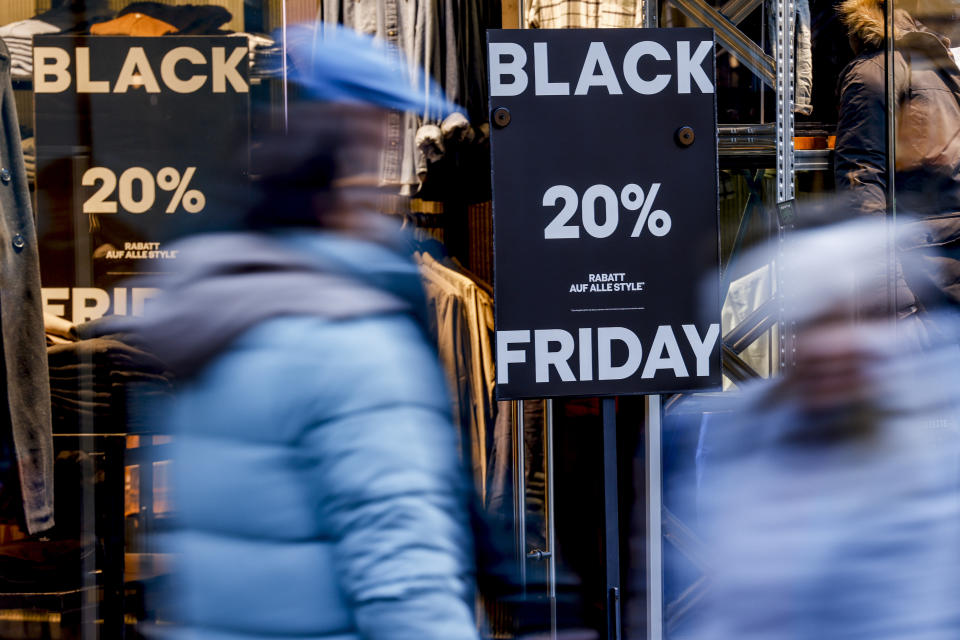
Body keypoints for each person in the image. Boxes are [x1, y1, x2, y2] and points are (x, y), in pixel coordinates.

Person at [126, 25, 482, 640]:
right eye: (376, 144)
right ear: (346, 167)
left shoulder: (214, 311)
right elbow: (405, 583)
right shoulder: (350, 343)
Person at [834, 0, 960, 314]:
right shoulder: (879, 71)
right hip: (927, 294)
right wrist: (893, 305)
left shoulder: (942, 69)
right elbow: (862, 186)